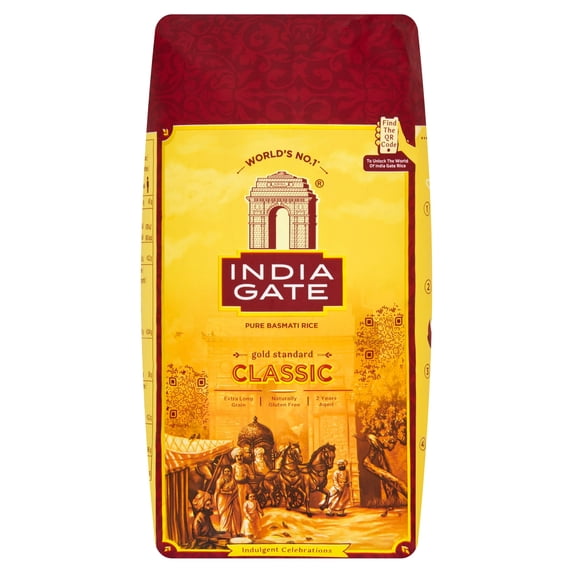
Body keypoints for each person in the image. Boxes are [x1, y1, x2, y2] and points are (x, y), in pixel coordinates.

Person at [214, 466, 242, 537]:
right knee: (225, 515)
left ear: (231, 472)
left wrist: (232, 492)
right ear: (223, 472)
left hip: (233, 499)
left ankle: (234, 531)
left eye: (228, 471)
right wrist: (228, 492)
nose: (226, 473)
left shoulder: (233, 480)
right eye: (225, 471)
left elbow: (236, 489)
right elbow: (218, 491)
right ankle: (225, 531)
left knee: (235, 514)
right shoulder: (220, 480)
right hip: (223, 500)